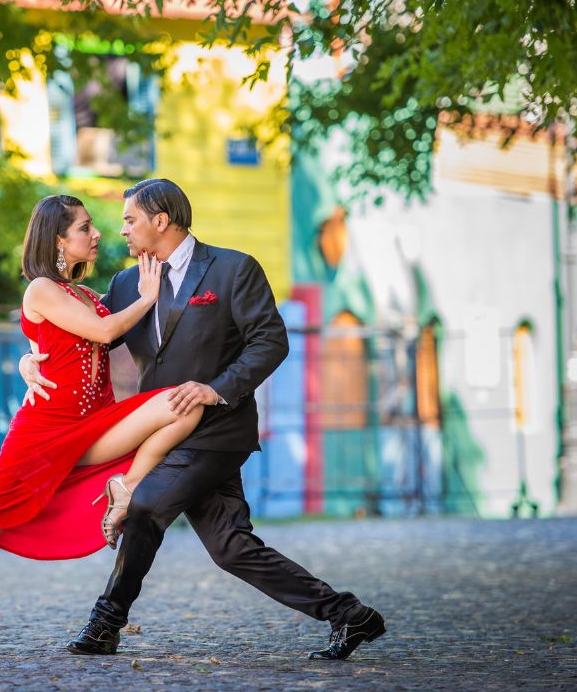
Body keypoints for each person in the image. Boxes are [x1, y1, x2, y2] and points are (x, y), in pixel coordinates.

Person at [20, 178, 386, 661]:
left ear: (161, 220)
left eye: (130, 220)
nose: (122, 230)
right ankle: (351, 616)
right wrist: (30, 358)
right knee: (231, 547)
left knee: (145, 505)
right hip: (163, 433)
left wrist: (217, 389)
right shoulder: (128, 284)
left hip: (218, 430)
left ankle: (104, 623)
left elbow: (271, 341)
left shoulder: (234, 269)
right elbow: (82, 337)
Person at [0, 194, 203, 650]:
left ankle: (124, 487)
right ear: (58, 240)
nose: (98, 233)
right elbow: (104, 332)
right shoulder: (40, 288)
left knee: (186, 403)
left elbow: (64, 339)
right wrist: (147, 298)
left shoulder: (84, 293)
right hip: (43, 434)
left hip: (97, 424)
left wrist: (30, 357)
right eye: (85, 227)